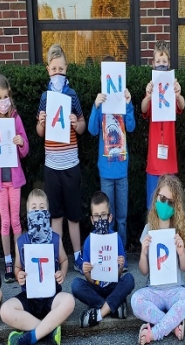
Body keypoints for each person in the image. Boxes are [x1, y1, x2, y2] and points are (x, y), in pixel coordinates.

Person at [0, 189, 75, 345]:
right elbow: (17, 267)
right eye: (34, 208)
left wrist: (62, 272)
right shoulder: (21, 241)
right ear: (27, 213)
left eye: (42, 208)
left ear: (47, 213)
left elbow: (64, 260)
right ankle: (48, 330)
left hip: (51, 296)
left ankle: (32, 336)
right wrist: (18, 274)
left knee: (69, 301)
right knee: (5, 311)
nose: (38, 211)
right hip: (29, 296)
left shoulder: (55, 239)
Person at [36, 43, 86, 272]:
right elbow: (39, 132)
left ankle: (77, 256)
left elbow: (83, 125)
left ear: (66, 68)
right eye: (53, 69)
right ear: (48, 70)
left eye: (61, 69)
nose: (57, 73)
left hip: (71, 164)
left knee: (74, 215)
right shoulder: (45, 97)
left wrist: (77, 124)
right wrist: (42, 123)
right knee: (55, 215)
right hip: (52, 165)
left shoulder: (72, 95)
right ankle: (58, 258)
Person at [131, 174, 185, 345]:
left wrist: (182, 252)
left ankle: (156, 332)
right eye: (162, 199)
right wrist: (143, 252)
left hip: (175, 289)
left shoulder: (178, 230)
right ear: (156, 197)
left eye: (170, 202)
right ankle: (173, 324)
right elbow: (143, 270)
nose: (165, 204)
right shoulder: (148, 229)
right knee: (135, 300)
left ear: (176, 206)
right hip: (153, 290)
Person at [88, 55, 135, 252]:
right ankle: (109, 252)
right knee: (107, 216)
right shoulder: (102, 105)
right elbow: (92, 129)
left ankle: (121, 253)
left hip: (121, 170)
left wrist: (129, 104)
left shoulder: (123, 103)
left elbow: (131, 127)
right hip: (106, 172)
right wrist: (95, 106)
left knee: (121, 217)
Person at [71, 191, 135, 328]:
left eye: (103, 215)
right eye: (96, 216)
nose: (100, 219)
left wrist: (120, 266)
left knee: (129, 279)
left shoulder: (115, 238)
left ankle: (99, 310)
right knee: (76, 285)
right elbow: (89, 279)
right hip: (96, 287)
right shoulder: (89, 241)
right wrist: (86, 271)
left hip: (112, 285)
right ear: (92, 219)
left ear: (110, 217)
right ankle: (113, 306)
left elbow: (118, 275)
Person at [141, 40, 185, 209]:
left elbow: (181, 106)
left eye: (164, 62)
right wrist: (148, 96)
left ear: (169, 64)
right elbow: (144, 110)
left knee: (169, 206)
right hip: (154, 161)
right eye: (158, 62)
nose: (161, 65)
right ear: (153, 64)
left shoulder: (172, 86)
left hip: (169, 160)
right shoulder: (151, 87)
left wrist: (178, 94)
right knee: (152, 206)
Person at [0, 74, 29, 283]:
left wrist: (20, 142)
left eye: (5, 97)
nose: (3, 102)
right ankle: (8, 261)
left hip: (15, 181)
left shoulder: (16, 118)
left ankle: (19, 260)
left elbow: (26, 149)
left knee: (16, 221)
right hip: (1, 183)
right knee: (5, 222)